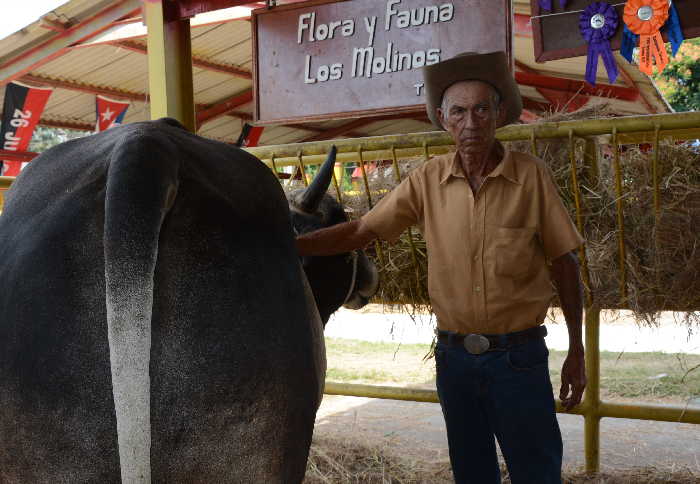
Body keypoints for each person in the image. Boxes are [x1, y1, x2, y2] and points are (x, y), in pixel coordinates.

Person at [296, 51, 586, 484]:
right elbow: (362, 231)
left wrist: (577, 352)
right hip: (455, 360)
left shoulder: (531, 177)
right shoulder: (427, 180)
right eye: (459, 112)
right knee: (471, 474)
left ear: (500, 114)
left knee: (537, 472)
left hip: (519, 359)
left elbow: (566, 263)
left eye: (481, 109)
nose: (471, 123)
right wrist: (293, 247)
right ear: (443, 118)